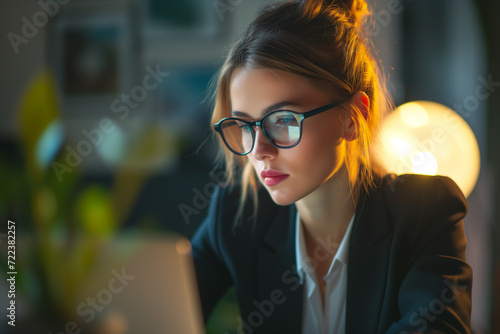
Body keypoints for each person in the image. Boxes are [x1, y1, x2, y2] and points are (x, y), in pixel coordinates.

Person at [191, 0, 472, 333]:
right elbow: (161, 310)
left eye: (283, 120)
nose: (260, 151)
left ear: (353, 118)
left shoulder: (426, 211)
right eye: (245, 125)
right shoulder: (236, 215)